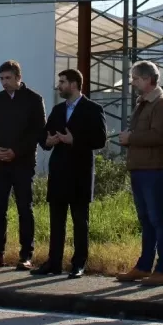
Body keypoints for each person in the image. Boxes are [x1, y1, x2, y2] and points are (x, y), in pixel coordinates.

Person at [32, 69, 106, 278]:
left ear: (74, 84)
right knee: (57, 220)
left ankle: (78, 263)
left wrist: (75, 140)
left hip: (80, 172)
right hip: (59, 172)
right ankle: (54, 262)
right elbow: (44, 137)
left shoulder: (93, 109)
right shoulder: (57, 110)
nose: (59, 86)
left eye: (62, 82)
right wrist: (48, 142)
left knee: (80, 221)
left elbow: (100, 140)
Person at [115, 61, 163, 286]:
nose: (132, 82)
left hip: (154, 169)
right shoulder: (143, 103)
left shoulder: (162, 104)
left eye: (135, 78)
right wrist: (129, 139)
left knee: (157, 218)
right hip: (140, 167)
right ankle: (144, 266)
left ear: (148, 79)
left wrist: (131, 139)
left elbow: (158, 136)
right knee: (146, 220)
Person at [0, 60, 47, 270]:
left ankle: (25, 255)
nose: (4, 82)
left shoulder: (34, 99)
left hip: (23, 163)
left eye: (8, 78)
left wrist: (16, 151)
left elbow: (38, 132)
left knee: (24, 209)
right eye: (1, 78)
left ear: (18, 77)